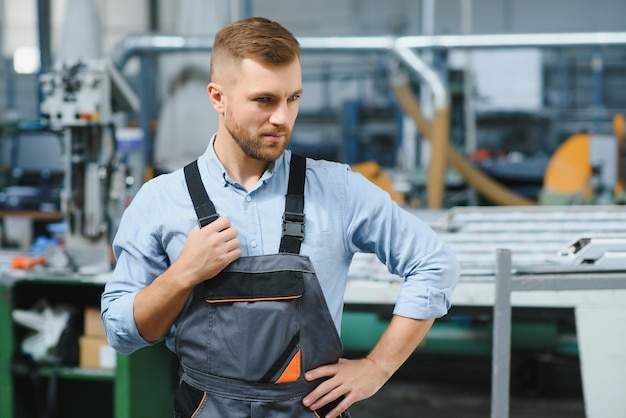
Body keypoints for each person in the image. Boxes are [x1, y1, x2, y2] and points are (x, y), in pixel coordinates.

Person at [101, 16, 459, 418]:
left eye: (293, 99)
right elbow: (121, 331)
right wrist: (182, 274)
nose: (283, 118)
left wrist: (377, 368)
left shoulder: (337, 190)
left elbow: (434, 263)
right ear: (218, 98)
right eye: (264, 100)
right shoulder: (161, 201)